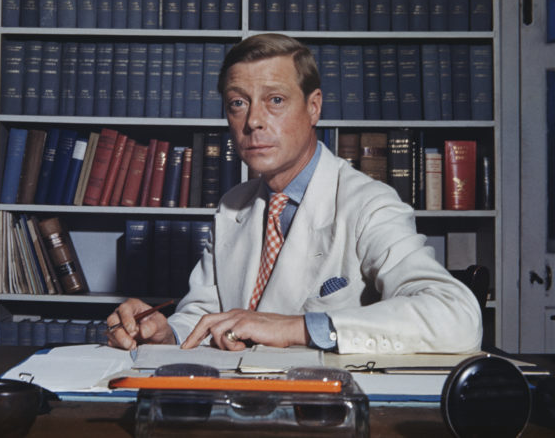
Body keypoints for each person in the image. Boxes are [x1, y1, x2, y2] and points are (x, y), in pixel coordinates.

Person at [106, 33, 482, 354]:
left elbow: (456, 316)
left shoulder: (370, 204)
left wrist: (298, 328)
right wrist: (165, 332)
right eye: (238, 103)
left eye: (276, 100)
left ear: (313, 107)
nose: (252, 121)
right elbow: (206, 313)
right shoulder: (232, 206)